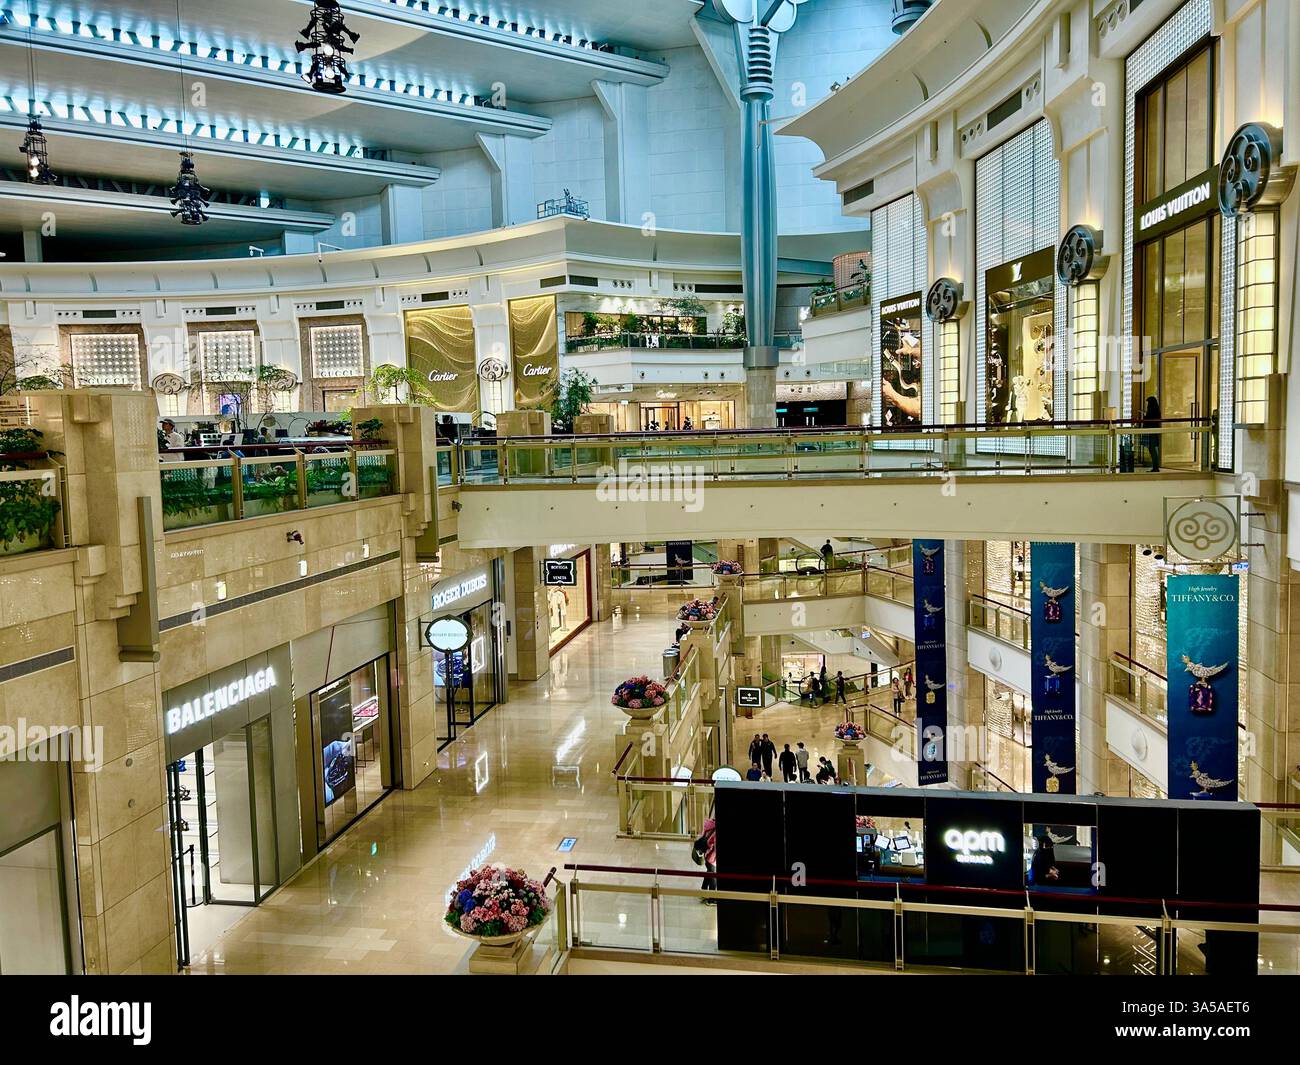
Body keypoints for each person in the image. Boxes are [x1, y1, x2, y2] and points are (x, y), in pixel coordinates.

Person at [694, 815, 718, 898]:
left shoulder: (709, 824)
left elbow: (702, 836)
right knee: (713, 878)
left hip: (706, 854)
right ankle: (712, 899)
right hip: (712, 857)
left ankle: (703, 892)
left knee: (709, 873)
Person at [1143, 394, 1162, 472]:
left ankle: (1155, 467)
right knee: (1152, 448)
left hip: (1152, 431)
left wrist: (1144, 417)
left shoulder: (1152, 410)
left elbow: (1149, 419)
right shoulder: (1156, 410)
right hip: (1153, 431)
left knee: (1152, 448)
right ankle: (1155, 466)